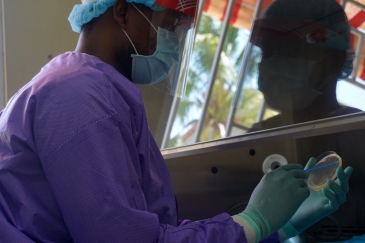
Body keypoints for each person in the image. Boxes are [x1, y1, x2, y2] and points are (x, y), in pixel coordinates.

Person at [0, 0, 352, 242]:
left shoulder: (99, 95)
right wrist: (251, 223)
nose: (176, 45)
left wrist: (281, 223)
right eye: (170, 26)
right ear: (122, 11)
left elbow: (156, 230)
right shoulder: (78, 98)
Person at [249, 0, 360, 132]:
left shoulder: (358, 133)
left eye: (287, 51)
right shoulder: (256, 138)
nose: (269, 64)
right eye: (266, 52)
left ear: (332, 60)